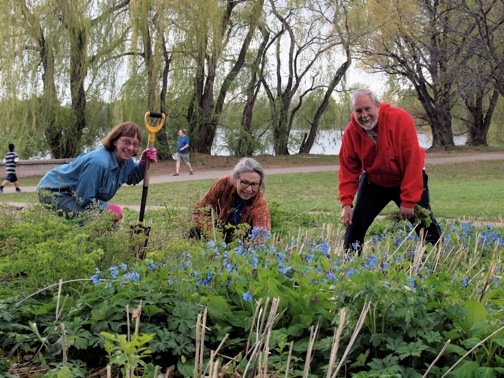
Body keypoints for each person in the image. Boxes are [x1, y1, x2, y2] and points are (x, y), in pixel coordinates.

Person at [338, 88, 442, 252]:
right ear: (353, 112)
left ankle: (438, 258)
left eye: (367, 108)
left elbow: (413, 160)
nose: (364, 115)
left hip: (407, 177)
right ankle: (348, 265)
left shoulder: (400, 118)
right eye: (358, 111)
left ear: (377, 106)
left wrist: (408, 200)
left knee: (424, 224)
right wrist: (346, 203)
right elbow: (348, 169)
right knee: (356, 224)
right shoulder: (351, 132)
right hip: (375, 181)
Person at [37, 122, 157, 221]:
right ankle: (86, 249)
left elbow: (133, 178)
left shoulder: (126, 162)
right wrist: (106, 207)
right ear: (115, 141)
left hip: (74, 194)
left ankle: (104, 247)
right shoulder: (98, 164)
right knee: (91, 219)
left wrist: (143, 163)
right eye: (126, 142)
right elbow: (83, 199)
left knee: (106, 218)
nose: (130, 148)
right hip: (55, 192)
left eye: (135, 144)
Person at [192, 157, 271, 242]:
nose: (249, 189)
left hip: (239, 243)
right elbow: (200, 211)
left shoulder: (260, 204)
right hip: (215, 233)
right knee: (193, 233)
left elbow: (262, 235)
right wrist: (215, 238)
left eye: (254, 184)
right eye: (244, 182)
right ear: (235, 179)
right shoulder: (223, 184)